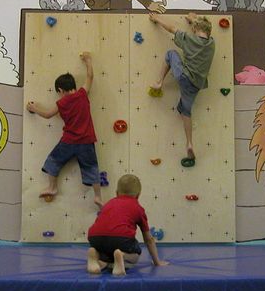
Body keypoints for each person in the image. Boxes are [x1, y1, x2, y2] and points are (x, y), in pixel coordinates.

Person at [26, 51, 102, 208]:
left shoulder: (61, 103)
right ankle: (98, 196)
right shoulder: (82, 94)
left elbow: (47, 114)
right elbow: (90, 76)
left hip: (69, 141)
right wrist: (88, 60)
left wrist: (34, 108)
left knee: (52, 162)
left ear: (60, 90)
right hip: (86, 141)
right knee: (92, 168)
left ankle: (52, 187)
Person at [148, 11, 215, 165]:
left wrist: (157, 18)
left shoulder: (189, 39)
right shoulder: (211, 44)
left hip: (184, 77)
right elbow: (202, 30)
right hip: (196, 85)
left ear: (194, 29)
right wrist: (194, 20)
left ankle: (159, 82)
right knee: (186, 111)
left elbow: (172, 28)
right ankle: (189, 143)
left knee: (171, 54)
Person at [87, 173, 168, 276]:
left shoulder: (108, 203)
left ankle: (95, 254)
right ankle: (122, 256)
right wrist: (157, 262)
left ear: (117, 193)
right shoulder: (138, 208)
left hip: (95, 238)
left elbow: (102, 223)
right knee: (136, 253)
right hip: (121, 240)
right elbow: (149, 239)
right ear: (138, 195)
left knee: (107, 248)